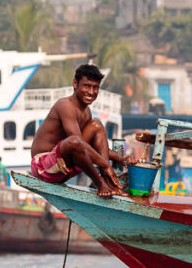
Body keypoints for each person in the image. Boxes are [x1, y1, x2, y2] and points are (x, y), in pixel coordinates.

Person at [30, 64, 127, 197]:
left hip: (63, 164)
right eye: (87, 86)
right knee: (75, 141)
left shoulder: (86, 112)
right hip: (43, 166)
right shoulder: (65, 105)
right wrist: (106, 165)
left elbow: (91, 148)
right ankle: (100, 183)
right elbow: (77, 143)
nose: (91, 92)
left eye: (95, 87)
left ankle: (107, 181)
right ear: (75, 84)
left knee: (97, 125)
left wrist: (121, 159)